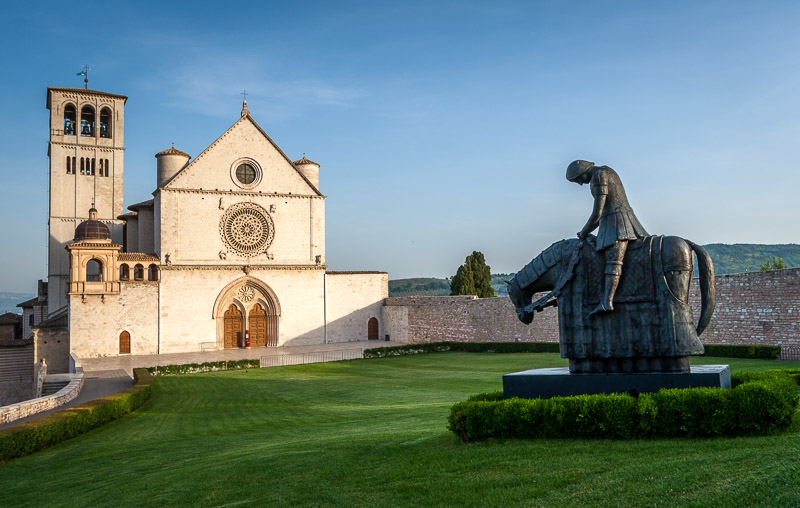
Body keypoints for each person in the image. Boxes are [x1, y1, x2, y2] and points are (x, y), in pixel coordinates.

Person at [566, 160, 648, 316]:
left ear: (582, 173)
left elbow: (597, 213)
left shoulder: (599, 176)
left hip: (617, 223)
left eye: (578, 180)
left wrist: (584, 232)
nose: (580, 184)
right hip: (613, 220)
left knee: (613, 262)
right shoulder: (605, 171)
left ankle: (606, 302)